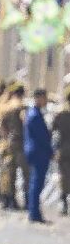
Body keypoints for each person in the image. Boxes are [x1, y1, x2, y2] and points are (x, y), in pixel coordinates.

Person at [0, 83, 29, 210]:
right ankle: (27, 201)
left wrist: (6, 136)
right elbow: (26, 123)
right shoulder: (21, 107)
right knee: (26, 173)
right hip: (20, 143)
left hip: (9, 142)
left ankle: (8, 199)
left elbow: (0, 125)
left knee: (8, 172)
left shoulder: (6, 107)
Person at [24, 89, 53, 223]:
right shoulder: (35, 115)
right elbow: (42, 137)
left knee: (35, 182)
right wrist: (51, 151)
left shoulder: (33, 113)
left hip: (35, 151)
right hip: (39, 152)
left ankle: (34, 211)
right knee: (37, 183)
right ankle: (34, 212)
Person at [52, 87, 70, 216]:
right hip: (64, 151)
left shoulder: (60, 115)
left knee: (63, 178)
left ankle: (63, 203)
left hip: (63, 151)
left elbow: (53, 132)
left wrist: (55, 150)